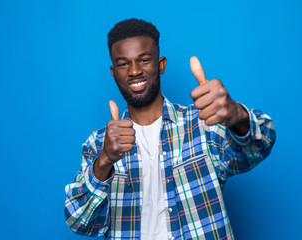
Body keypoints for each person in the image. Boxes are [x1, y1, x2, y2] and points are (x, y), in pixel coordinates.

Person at [64, 18, 276, 240]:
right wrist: (105, 160)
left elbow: (258, 147)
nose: (134, 71)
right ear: (113, 73)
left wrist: (237, 115)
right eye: (123, 64)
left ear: (161, 64)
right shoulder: (99, 144)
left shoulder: (203, 123)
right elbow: (79, 222)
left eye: (144, 60)